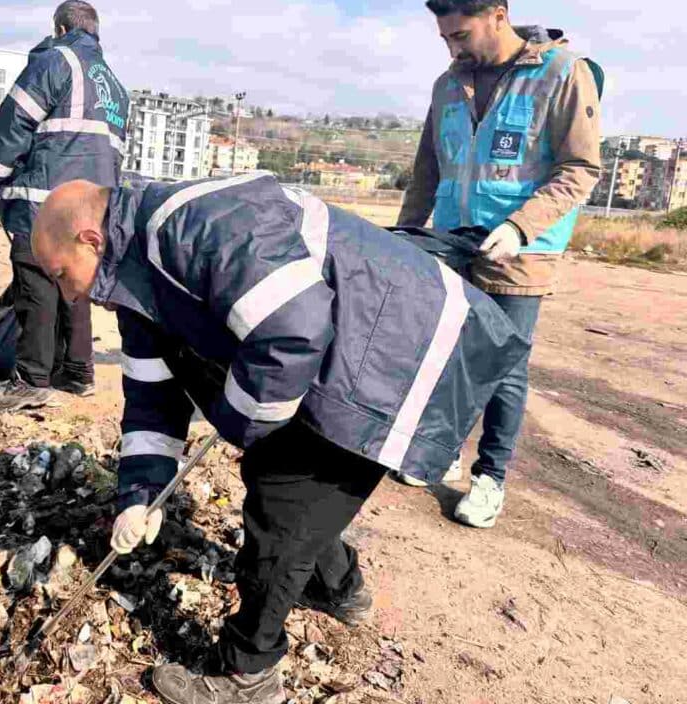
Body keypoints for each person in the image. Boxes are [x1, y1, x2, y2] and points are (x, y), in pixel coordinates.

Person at [30, 172, 529, 702]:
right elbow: (153, 396)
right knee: (293, 490)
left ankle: (249, 672)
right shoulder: (134, 280)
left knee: (281, 507)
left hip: (397, 351)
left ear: (92, 240)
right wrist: (140, 493)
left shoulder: (191, 228)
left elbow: (293, 329)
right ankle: (339, 588)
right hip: (337, 350)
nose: (68, 294)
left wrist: (241, 425)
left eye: (62, 275)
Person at [395, 0, 603, 528]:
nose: (452, 48)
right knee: (449, 350)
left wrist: (519, 227)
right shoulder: (448, 85)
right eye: (445, 38)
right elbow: (427, 169)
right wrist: (407, 234)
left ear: (499, 17)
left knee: (504, 366)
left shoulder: (562, 73)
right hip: (454, 241)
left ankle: (491, 478)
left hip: (522, 251)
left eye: (460, 35)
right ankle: (440, 450)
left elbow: (580, 169)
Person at [0, 0, 128, 409]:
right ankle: (78, 373)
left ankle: (32, 379)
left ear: (60, 29)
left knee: (36, 284)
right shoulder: (114, 86)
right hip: (91, 208)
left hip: (45, 201)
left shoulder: (55, 61)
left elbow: (15, 121)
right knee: (75, 285)